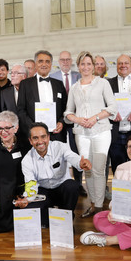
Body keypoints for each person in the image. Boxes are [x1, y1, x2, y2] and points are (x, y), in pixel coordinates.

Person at [65, 51, 117, 218]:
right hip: (81, 132)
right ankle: (93, 204)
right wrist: (78, 119)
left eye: (89, 64)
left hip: (101, 131)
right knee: (87, 169)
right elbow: (67, 113)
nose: (86, 67)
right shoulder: (74, 87)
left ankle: (100, 207)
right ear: (78, 66)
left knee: (99, 170)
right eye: (82, 64)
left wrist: (95, 118)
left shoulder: (103, 83)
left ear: (94, 66)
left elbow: (112, 108)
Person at [19, 123, 92, 227]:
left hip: (61, 188)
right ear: (30, 141)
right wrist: (26, 199)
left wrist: (80, 163)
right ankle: (50, 218)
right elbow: (31, 184)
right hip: (43, 192)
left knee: (72, 186)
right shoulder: (27, 161)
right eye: (35, 138)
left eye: (43, 137)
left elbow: (72, 157)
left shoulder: (60, 146)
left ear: (48, 137)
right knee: (29, 210)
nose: (40, 141)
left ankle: (67, 216)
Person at [0, 111, 30, 233]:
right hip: (1, 190)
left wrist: (27, 195)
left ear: (16, 128)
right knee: (0, 224)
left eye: (7, 128)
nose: (3, 132)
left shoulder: (25, 145)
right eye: (0, 128)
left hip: (21, 189)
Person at [50, 51, 84, 195]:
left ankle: (78, 184)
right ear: (59, 61)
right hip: (60, 122)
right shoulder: (52, 78)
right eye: (62, 60)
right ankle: (61, 182)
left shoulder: (79, 76)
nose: (65, 62)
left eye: (68, 59)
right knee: (60, 152)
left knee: (77, 151)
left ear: (72, 61)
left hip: (77, 121)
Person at [17, 50, 68, 142]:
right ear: (35, 64)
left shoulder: (59, 84)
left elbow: (66, 107)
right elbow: (21, 110)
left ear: (51, 64)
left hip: (57, 134)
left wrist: (61, 122)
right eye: (40, 61)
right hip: (35, 136)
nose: (44, 64)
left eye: (47, 61)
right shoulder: (25, 84)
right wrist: (33, 128)